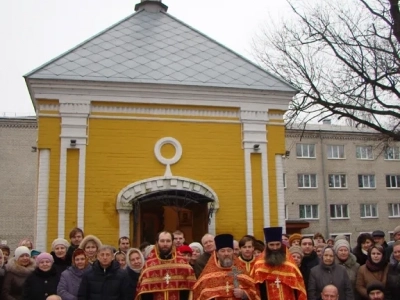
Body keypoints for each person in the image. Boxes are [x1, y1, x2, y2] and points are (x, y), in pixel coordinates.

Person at [193, 234, 260, 300]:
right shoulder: (208, 274)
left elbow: (254, 292)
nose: (226, 253)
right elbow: (199, 294)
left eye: (229, 250)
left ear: (233, 252)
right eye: (222, 251)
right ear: (217, 254)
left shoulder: (241, 271)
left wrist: (243, 294)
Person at [136, 231, 196, 300]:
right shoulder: (149, 266)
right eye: (162, 241)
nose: (165, 244)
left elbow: (191, 291)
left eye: (168, 241)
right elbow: (144, 293)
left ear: (172, 242)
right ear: (157, 242)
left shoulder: (184, 265)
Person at [253, 227, 307, 300]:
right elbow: (255, 288)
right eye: (271, 245)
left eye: (277, 244)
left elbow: (299, 286)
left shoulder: (290, 263)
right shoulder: (259, 264)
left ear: (281, 244)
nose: (275, 248)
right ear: (267, 245)